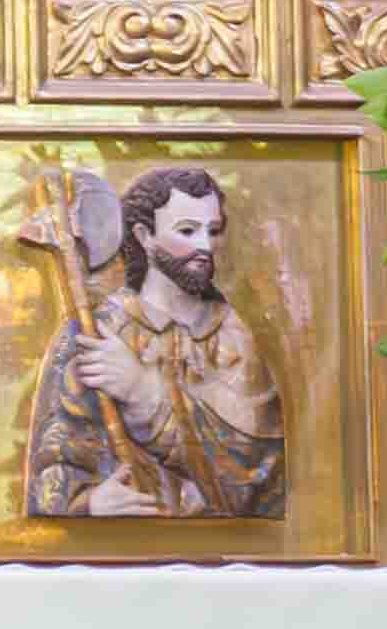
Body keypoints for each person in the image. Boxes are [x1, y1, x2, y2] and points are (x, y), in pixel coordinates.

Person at [18, 160, 285, 520]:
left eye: (214, 230)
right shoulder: (96, 332)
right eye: (187, 231)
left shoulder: (231, 334)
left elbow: (257, 469)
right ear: (144, 236)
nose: (205, 245)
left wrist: (144, 391)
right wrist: (88, 502)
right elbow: (55, 456)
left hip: (220, 545)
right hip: (119, 545)